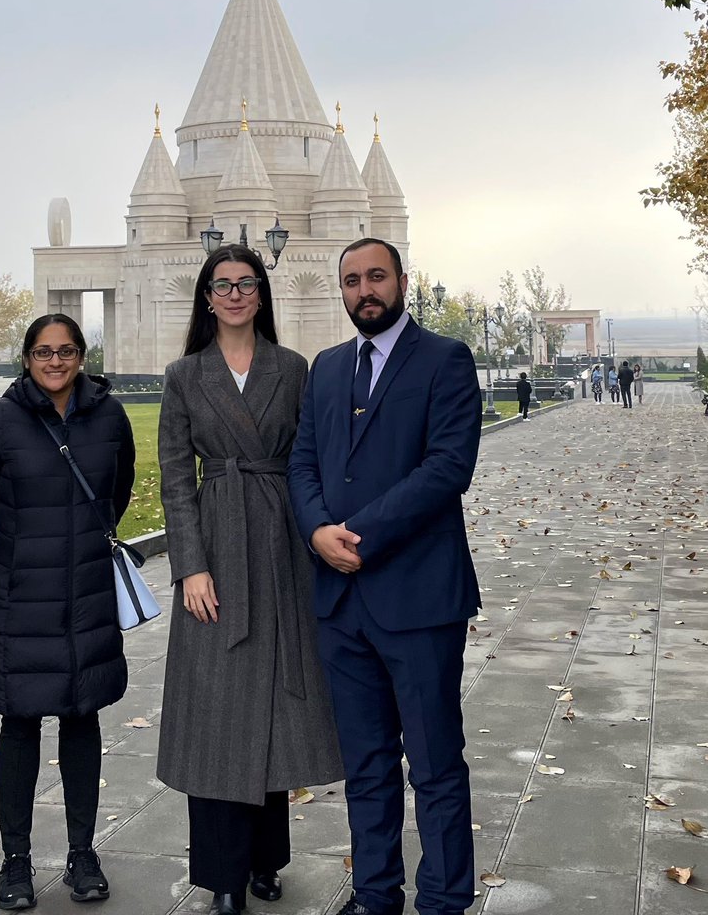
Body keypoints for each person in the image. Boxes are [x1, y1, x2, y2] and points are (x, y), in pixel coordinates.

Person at [289, 237, 482, 915]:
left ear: (402, 280)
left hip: (419, 599)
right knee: (366, 766)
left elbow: (446, 468)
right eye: (351, 281)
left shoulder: (445, 360)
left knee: (433, 765)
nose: (364, 290)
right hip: (341, 602)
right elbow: (303, 462)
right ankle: (374, 894)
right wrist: (316, 531)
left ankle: (443, 899)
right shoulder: (327, 366)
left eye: (376, 277)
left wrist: (358, 537)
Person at [157, 245, 343, 915]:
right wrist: (191, 567)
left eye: (244, 283)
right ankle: (223, 876)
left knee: (272, 703)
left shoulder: (291, 370)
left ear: (260, 294)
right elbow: (176, 480)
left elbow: (307, 461)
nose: (233, 293)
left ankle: (265, 858)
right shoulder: (184, 375)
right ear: (205, 297)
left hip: (280, 546)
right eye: (220, 284)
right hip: (215, 543)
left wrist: (314, 538)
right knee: (215, 714)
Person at [0, 314, 135, 911]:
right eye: (42, 352)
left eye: (65, 351)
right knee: (20, 724)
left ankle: (83, 854)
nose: (54, 362)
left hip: (85, 595)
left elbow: (118, 489)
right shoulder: (1, 421)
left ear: (82, 355)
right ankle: (15, 861)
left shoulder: (109, 416)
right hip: (21, 598)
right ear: (27, 357)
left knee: (83, 720)